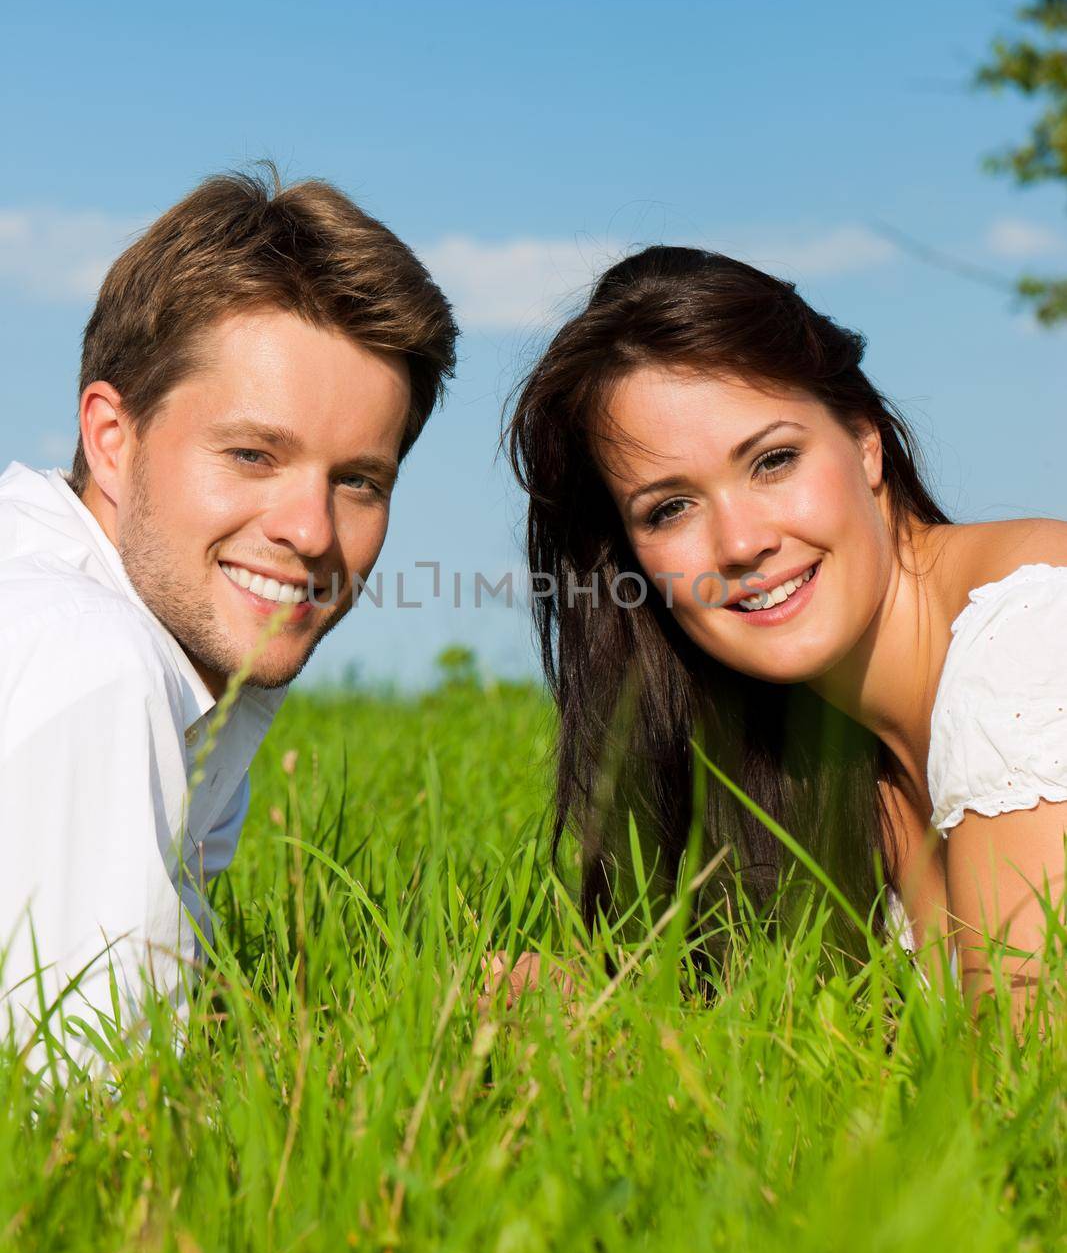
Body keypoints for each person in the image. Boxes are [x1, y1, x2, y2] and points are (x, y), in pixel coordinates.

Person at [505, 246, 1067, 1018]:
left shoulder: (1036, 630)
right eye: (669, 508)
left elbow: (1024, 1077)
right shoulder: (822, 767)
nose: (739, 543)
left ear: (864, 441)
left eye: (772, 461)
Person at [0, 166, 457, 1062]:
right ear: (111, 437)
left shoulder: (182, 655)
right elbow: (97, 1120)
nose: (309, 531)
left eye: (358, 481)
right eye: (252, 454)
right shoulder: (92, 660)